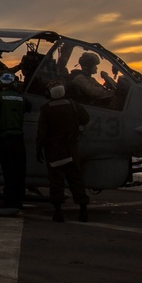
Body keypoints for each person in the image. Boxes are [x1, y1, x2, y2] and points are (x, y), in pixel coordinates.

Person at [35, 84, 90, 222]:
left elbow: (42, 132)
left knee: (56, 181)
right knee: (76, 179)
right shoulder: (73, 105)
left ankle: (58, 212)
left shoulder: (46, 109)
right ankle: (83, 211)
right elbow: (86, 119)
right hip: (71, 149)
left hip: (54, 150)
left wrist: (38, 149)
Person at [0, 72, 33, 208]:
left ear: (1, 84)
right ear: (14, 84)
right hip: (18, 138)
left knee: (8, 170)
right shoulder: (21, 99)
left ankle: (9, 200)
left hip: (4, 139)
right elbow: (30, 107)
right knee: (19, 170)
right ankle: (19, 198)